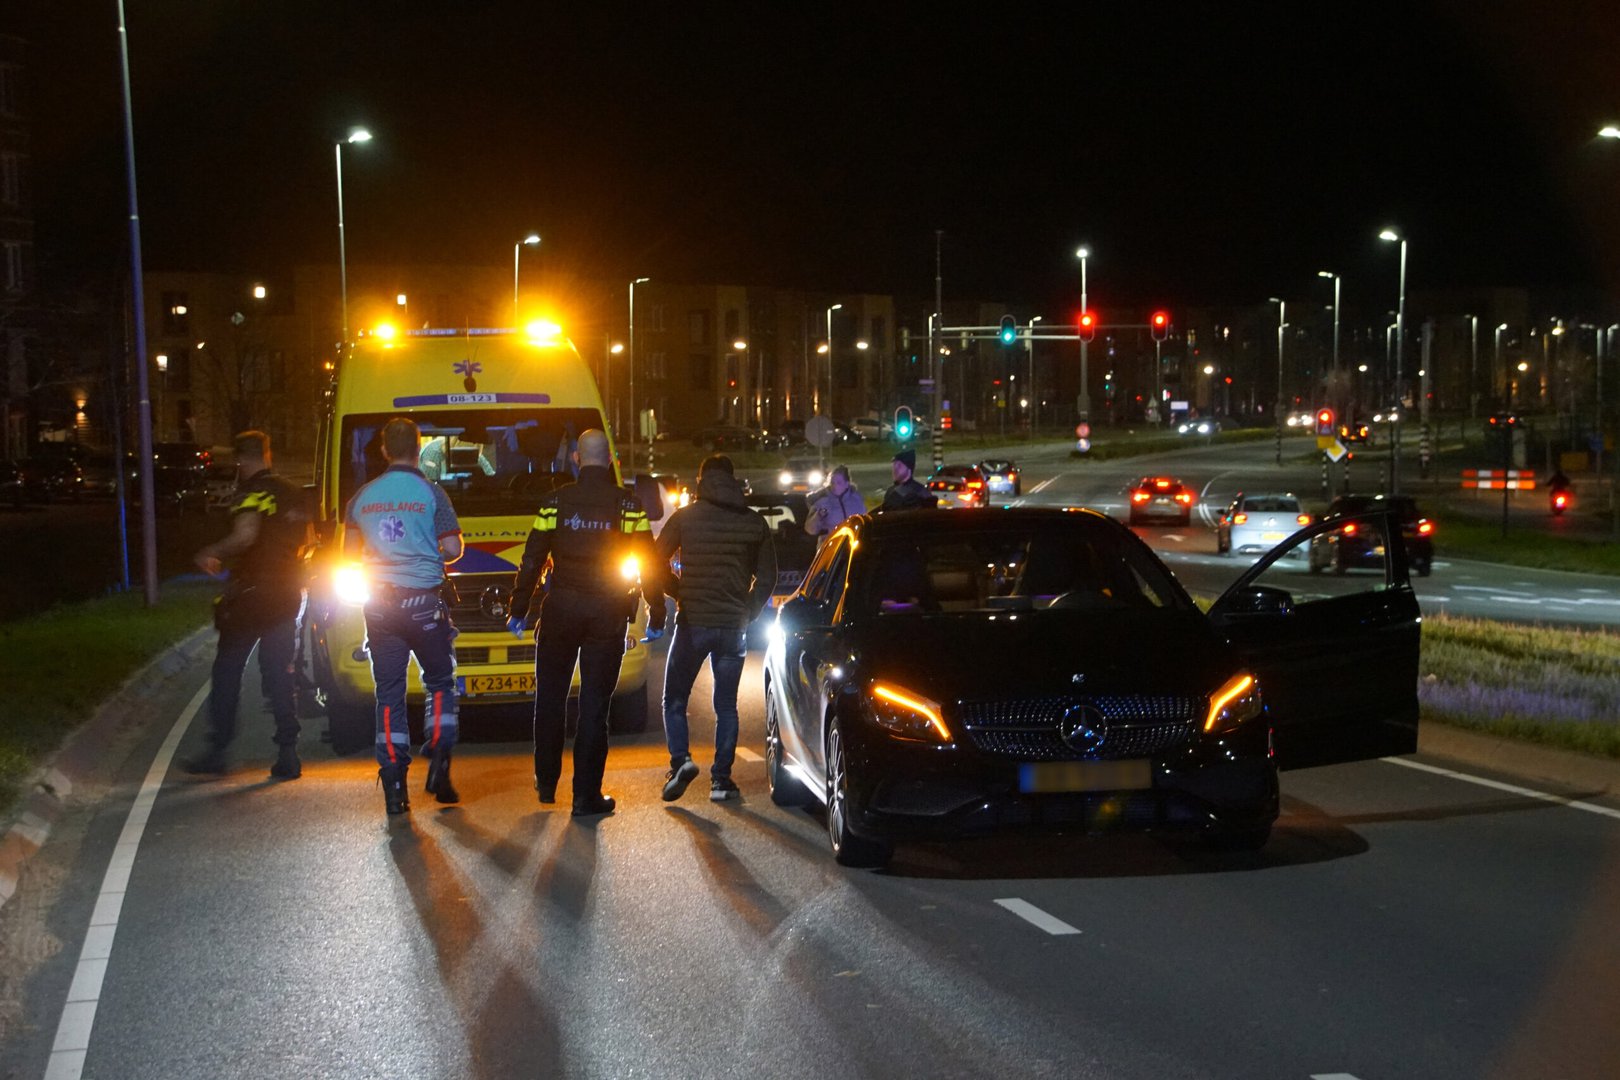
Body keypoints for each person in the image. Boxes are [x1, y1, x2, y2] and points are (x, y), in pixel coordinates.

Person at [507, 429, 664, 817]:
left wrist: (518, 607)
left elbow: (532, 559)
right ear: (609, 459)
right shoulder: (627, 505)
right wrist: (657, 609)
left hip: (559, 610)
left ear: (576, 458)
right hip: (606, 613)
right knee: (594, 706)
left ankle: (546, 784)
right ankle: (585, 796)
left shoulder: (554, 502)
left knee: (550, 698)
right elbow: (649, 561)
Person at [344, 416, 464, 816]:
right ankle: (441, 750)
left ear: (383, 450)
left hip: (379, 606)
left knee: (390, 692)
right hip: (424, 604)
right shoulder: (432, 494)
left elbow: (348, 556)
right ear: (418, 447)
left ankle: (395, 787)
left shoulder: (362, 498)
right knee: (441, 680)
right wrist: (428, 547)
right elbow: (451, 548)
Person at [182, 431, 310, 779]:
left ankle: (218, 750)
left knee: (227, 670)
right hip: (286, 594)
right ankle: (288, 753)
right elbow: (307, 542)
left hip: (251, 595)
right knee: (280, 673)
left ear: (241, 461)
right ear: (268, 454)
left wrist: (212, 552)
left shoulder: (250, 492)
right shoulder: (295, 494)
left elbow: (245, 535)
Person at [653, 454, 776, 803]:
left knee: (674, 697)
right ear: (733, 481)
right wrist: (748, 610)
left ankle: (681, 761)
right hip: (733, 625)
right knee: (726, 704)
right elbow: (769, 576)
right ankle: (721, 781)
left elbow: (653, 560)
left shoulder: (685, 518)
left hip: (693, 623)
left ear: (701, 480)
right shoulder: (753, 522)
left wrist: (675, 590)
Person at [805, 465, 867, 537]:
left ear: (847, 484)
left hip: (852, 542)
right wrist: (818, 516)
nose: (835, 486)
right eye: (832, 482)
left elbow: (864, 521)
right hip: (830, 544)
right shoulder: (821, 502)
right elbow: (810, 530)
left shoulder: (856, 499)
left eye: (839, 483)